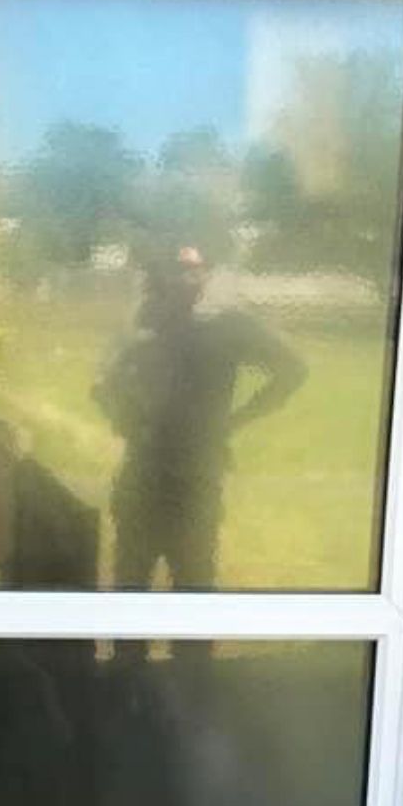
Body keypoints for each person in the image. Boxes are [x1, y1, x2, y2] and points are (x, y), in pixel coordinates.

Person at [94, 245, 307, 590]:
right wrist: (125, 416)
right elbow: (102, 386)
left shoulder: (224, 327)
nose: (187, 280)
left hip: (190, 475)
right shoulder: (142, 327)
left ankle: (177, 644)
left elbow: (292, 370)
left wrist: (237, 420)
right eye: (177, 272)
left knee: (188, 585)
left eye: (194, 271)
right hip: (150, 474)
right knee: (140, 588)